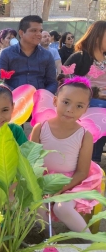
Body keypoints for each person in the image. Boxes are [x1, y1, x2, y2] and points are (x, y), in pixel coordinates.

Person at [31, 76, 103, 234]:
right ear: (55, 101)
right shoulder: (40, 128)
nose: (71, 109)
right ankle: (49, 238)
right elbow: (31, 161)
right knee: (34, 204)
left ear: (86, 109)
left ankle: (92, 243)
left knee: (62, 207)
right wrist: (41, 185)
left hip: (74, 182)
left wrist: (60, 188)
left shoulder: (85, 135)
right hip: (43, 179)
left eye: (79, 106)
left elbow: (82, 172)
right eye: (66, 102)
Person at [64, 20, 106, 164]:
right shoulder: (80, 57)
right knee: (100, 107)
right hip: (88, 103)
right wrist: (93, 92)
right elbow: (65, 83)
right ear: (97, 36)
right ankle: (91, 159)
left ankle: (95, 158)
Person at [0, 15, 57, 94]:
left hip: (40, 102)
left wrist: (42, 95)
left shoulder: (47, 55)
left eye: (40, 31)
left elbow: (52, 83)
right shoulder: (6, 54)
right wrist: (17, 95)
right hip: (13, 102)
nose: (39, 34)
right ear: (21, 33)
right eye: (34, 30)